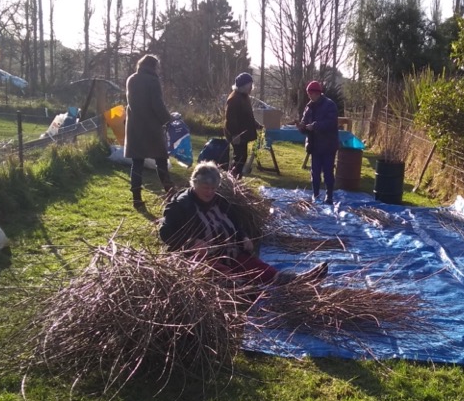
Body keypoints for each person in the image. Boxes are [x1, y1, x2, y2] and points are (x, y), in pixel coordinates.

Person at [159, 162, 328, 286]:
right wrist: (190, 242)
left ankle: (298, 280)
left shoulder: (220, 201)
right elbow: (166, 233)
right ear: (194, 183)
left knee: (259, 268)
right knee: (226, 277)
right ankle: (239, 287)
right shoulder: (181, 205)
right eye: (205, 187)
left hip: (231, 253)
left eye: (213, 188)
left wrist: (244, 236)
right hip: (203, 259)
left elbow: (235, 223)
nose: (210, 192)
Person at [125, 53, 174, 209]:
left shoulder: (131, 79)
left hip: (135, 127)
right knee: (161, 162)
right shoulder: (153, 81)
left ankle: (137, 198)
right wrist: (169, 119)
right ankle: (170, 193)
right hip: (152, 128)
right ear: (154, 66)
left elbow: (132, 103)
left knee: (137, 163)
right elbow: (157, 104)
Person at [298, 80, 340, 204]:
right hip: (314, 145)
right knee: (315, 172)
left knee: (328, 172)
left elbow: (331, 123)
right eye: (308, 94)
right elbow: (305, 123)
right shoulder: (309, 107)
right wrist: (302, 126)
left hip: (328, 145)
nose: (309, 96)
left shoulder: (330, 105)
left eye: (311, 94)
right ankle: (315, 194)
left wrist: (315, 126)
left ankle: (329, 196)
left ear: (317, 93)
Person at [224, 72, 262, 179]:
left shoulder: (244, 97)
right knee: (239, 159)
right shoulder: (234, 99)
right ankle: (233, 180)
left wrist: (256, 125)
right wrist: (235, 134)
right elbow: (230, 119)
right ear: (244, 85)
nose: (251, 87)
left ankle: (236, 179)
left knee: (242, 158)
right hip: (237, 135)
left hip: (243, 135)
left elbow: (248, 115)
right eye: (250, 84)